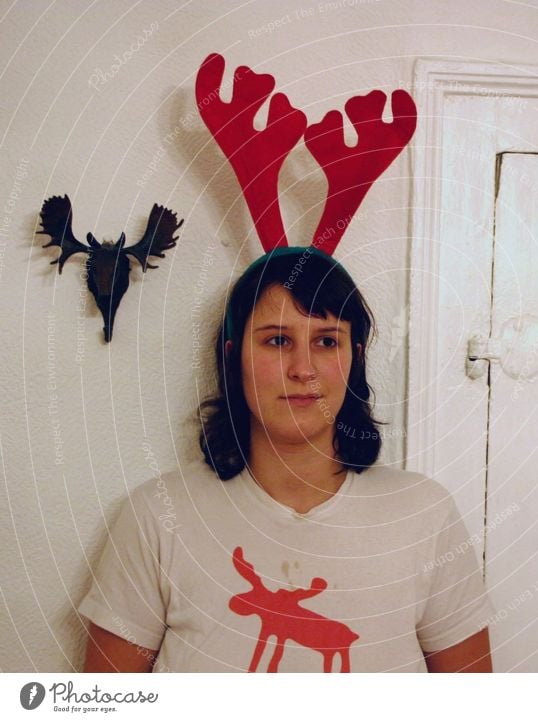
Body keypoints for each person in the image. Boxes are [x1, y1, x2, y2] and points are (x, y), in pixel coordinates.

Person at [79, 247, 493, 672]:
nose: (302, 368)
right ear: (232, 354)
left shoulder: (424, 512)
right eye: (277, 340)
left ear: (357, 357)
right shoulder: (158, 516)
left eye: (326, 341)